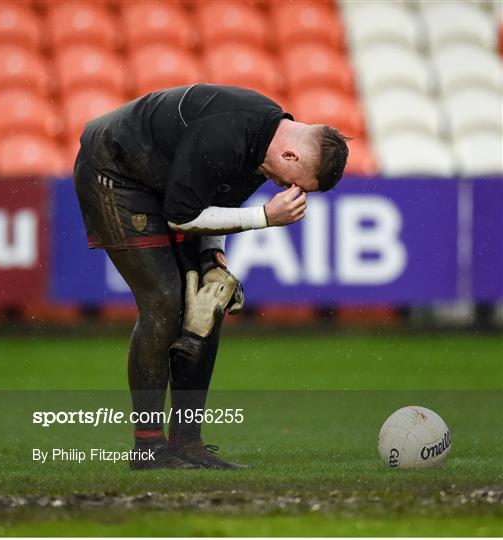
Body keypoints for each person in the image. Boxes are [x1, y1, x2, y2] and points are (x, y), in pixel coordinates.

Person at [74, 84, 349, 470]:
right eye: (297, 181)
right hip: (114, 169)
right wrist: (264, 217)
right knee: (165, 302)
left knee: (208, 299)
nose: (291, 190)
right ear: (291, 154)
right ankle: (147, 449)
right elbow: (182, 215)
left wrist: (212, 261)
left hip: (160, 182)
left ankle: (187, 444)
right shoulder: (228, 134)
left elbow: (216, 200)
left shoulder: (264, 145)